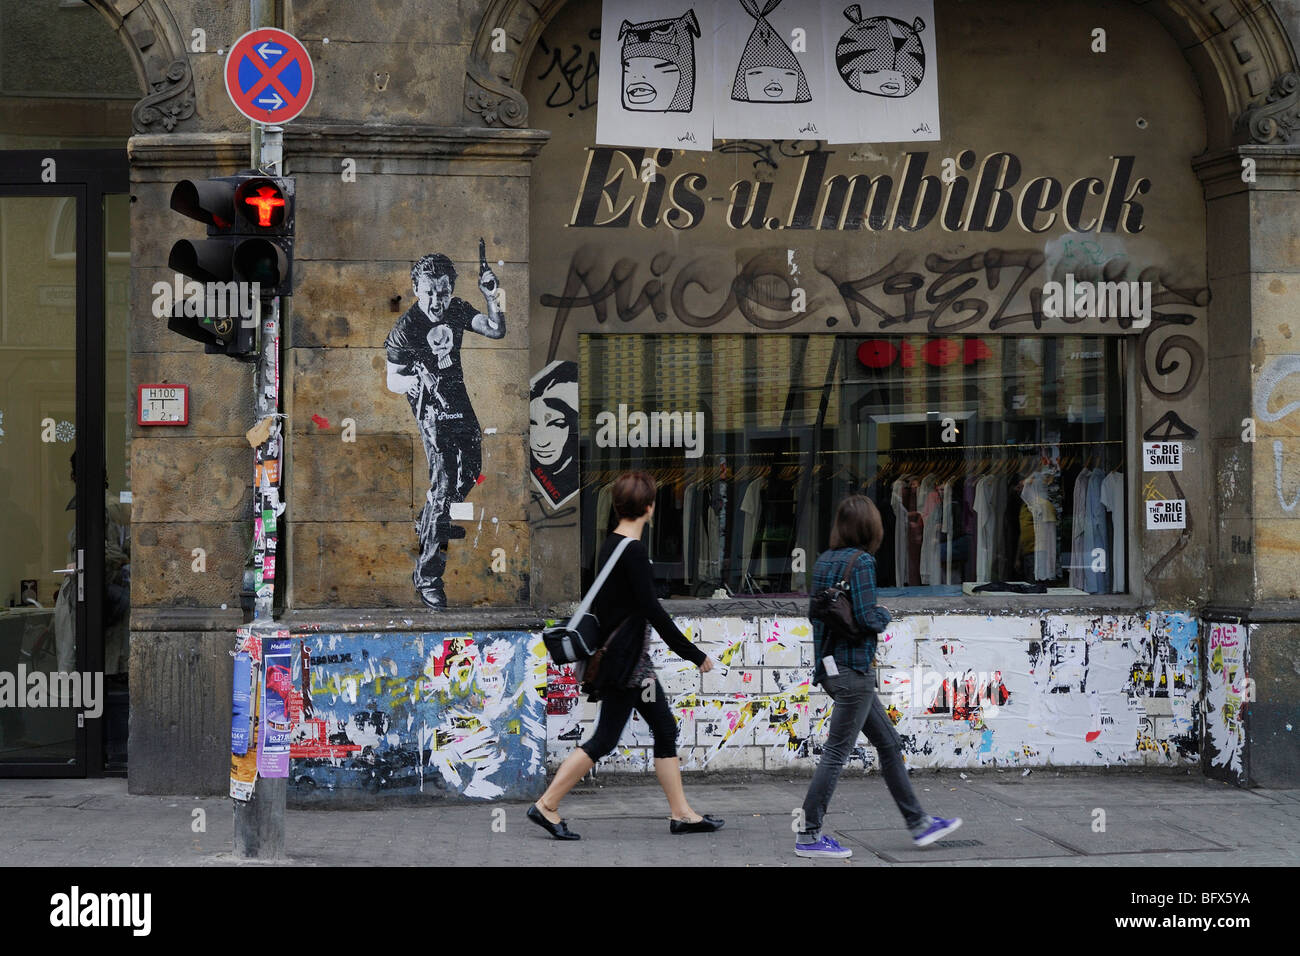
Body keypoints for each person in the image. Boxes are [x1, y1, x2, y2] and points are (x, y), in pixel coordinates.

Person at [529, 471, 723, 840]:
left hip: (632, 663)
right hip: (626, 665)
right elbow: (654, 611)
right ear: (649, 508)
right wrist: (695, 655)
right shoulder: (632, 553)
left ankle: (681, 813)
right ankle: (547, 804)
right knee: (604, 738)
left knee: (664, 727)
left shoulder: (610, 546)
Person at [795, 494, 962, 859]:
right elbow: (870, 618)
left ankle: (918, 822)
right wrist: (885, 614)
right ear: (872, 528)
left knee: (888, 744)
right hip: (854, 671)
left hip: (830, 669)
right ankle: (808, 835)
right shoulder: (864, 563)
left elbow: (813, 613)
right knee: (836, 752)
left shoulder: (824, 561)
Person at [384, 251, 505, 609]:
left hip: (459, 400)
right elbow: (391, 379)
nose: (438, 300)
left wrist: (491, 294)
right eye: (430, 292)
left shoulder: (455, 309)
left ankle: (430, 520)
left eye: (443, 291)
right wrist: (416, 379)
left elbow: (497, 329)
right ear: (416, 291)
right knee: (443, 488)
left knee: (472, 471)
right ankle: (428, 578)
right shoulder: (405, 329)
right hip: (431, 411)